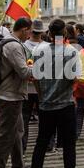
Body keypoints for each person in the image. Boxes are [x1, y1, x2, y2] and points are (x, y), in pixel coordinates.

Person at [25, 19, 84, 168]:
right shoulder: (71, 52)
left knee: (41, 144)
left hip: (46, 106)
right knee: (69, 144)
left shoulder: (39, 51)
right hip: (65, 105)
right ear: (65, 34)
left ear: (49, 33)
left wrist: (42, 96)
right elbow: (76, 79)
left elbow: (35, 78)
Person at [0, 17, 33, 168]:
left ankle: (18, 166)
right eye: (29, 31)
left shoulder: (8, 42)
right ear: (24, 29)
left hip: (7, 94)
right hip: (9, 96)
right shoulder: (14, 45)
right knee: (6, 135)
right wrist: (39, 67)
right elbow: (23, 72)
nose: (30, 35)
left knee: (16, 131)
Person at [22, 19, 47, 155]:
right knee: (44, 118)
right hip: (43, 88)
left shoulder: (21, 46)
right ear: (42, 32)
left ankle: (22, 145)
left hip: (25, 88)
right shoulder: (48, 47)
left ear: (30, 31)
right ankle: (47, 144)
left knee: (24, 118)